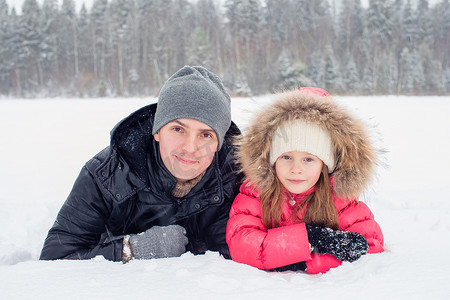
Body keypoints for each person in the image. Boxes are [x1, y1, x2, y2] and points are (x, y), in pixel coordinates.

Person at [40, 66, 242, 263]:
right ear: (157, 130)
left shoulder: (236, 179)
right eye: (178, 129)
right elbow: (56, 258)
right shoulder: (107, 174)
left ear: (219, 144)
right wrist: (131, 250)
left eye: (206, 134)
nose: (190, 147)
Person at [226, 87, 384, 274]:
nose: (296, 169)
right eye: (286, 157)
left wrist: (305, 262)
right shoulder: (256, 193)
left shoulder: (340, 199)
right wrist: (310, 238)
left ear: (325, 165)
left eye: (308, 159)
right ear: (272, 159)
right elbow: (242, 244)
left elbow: (369, 245)